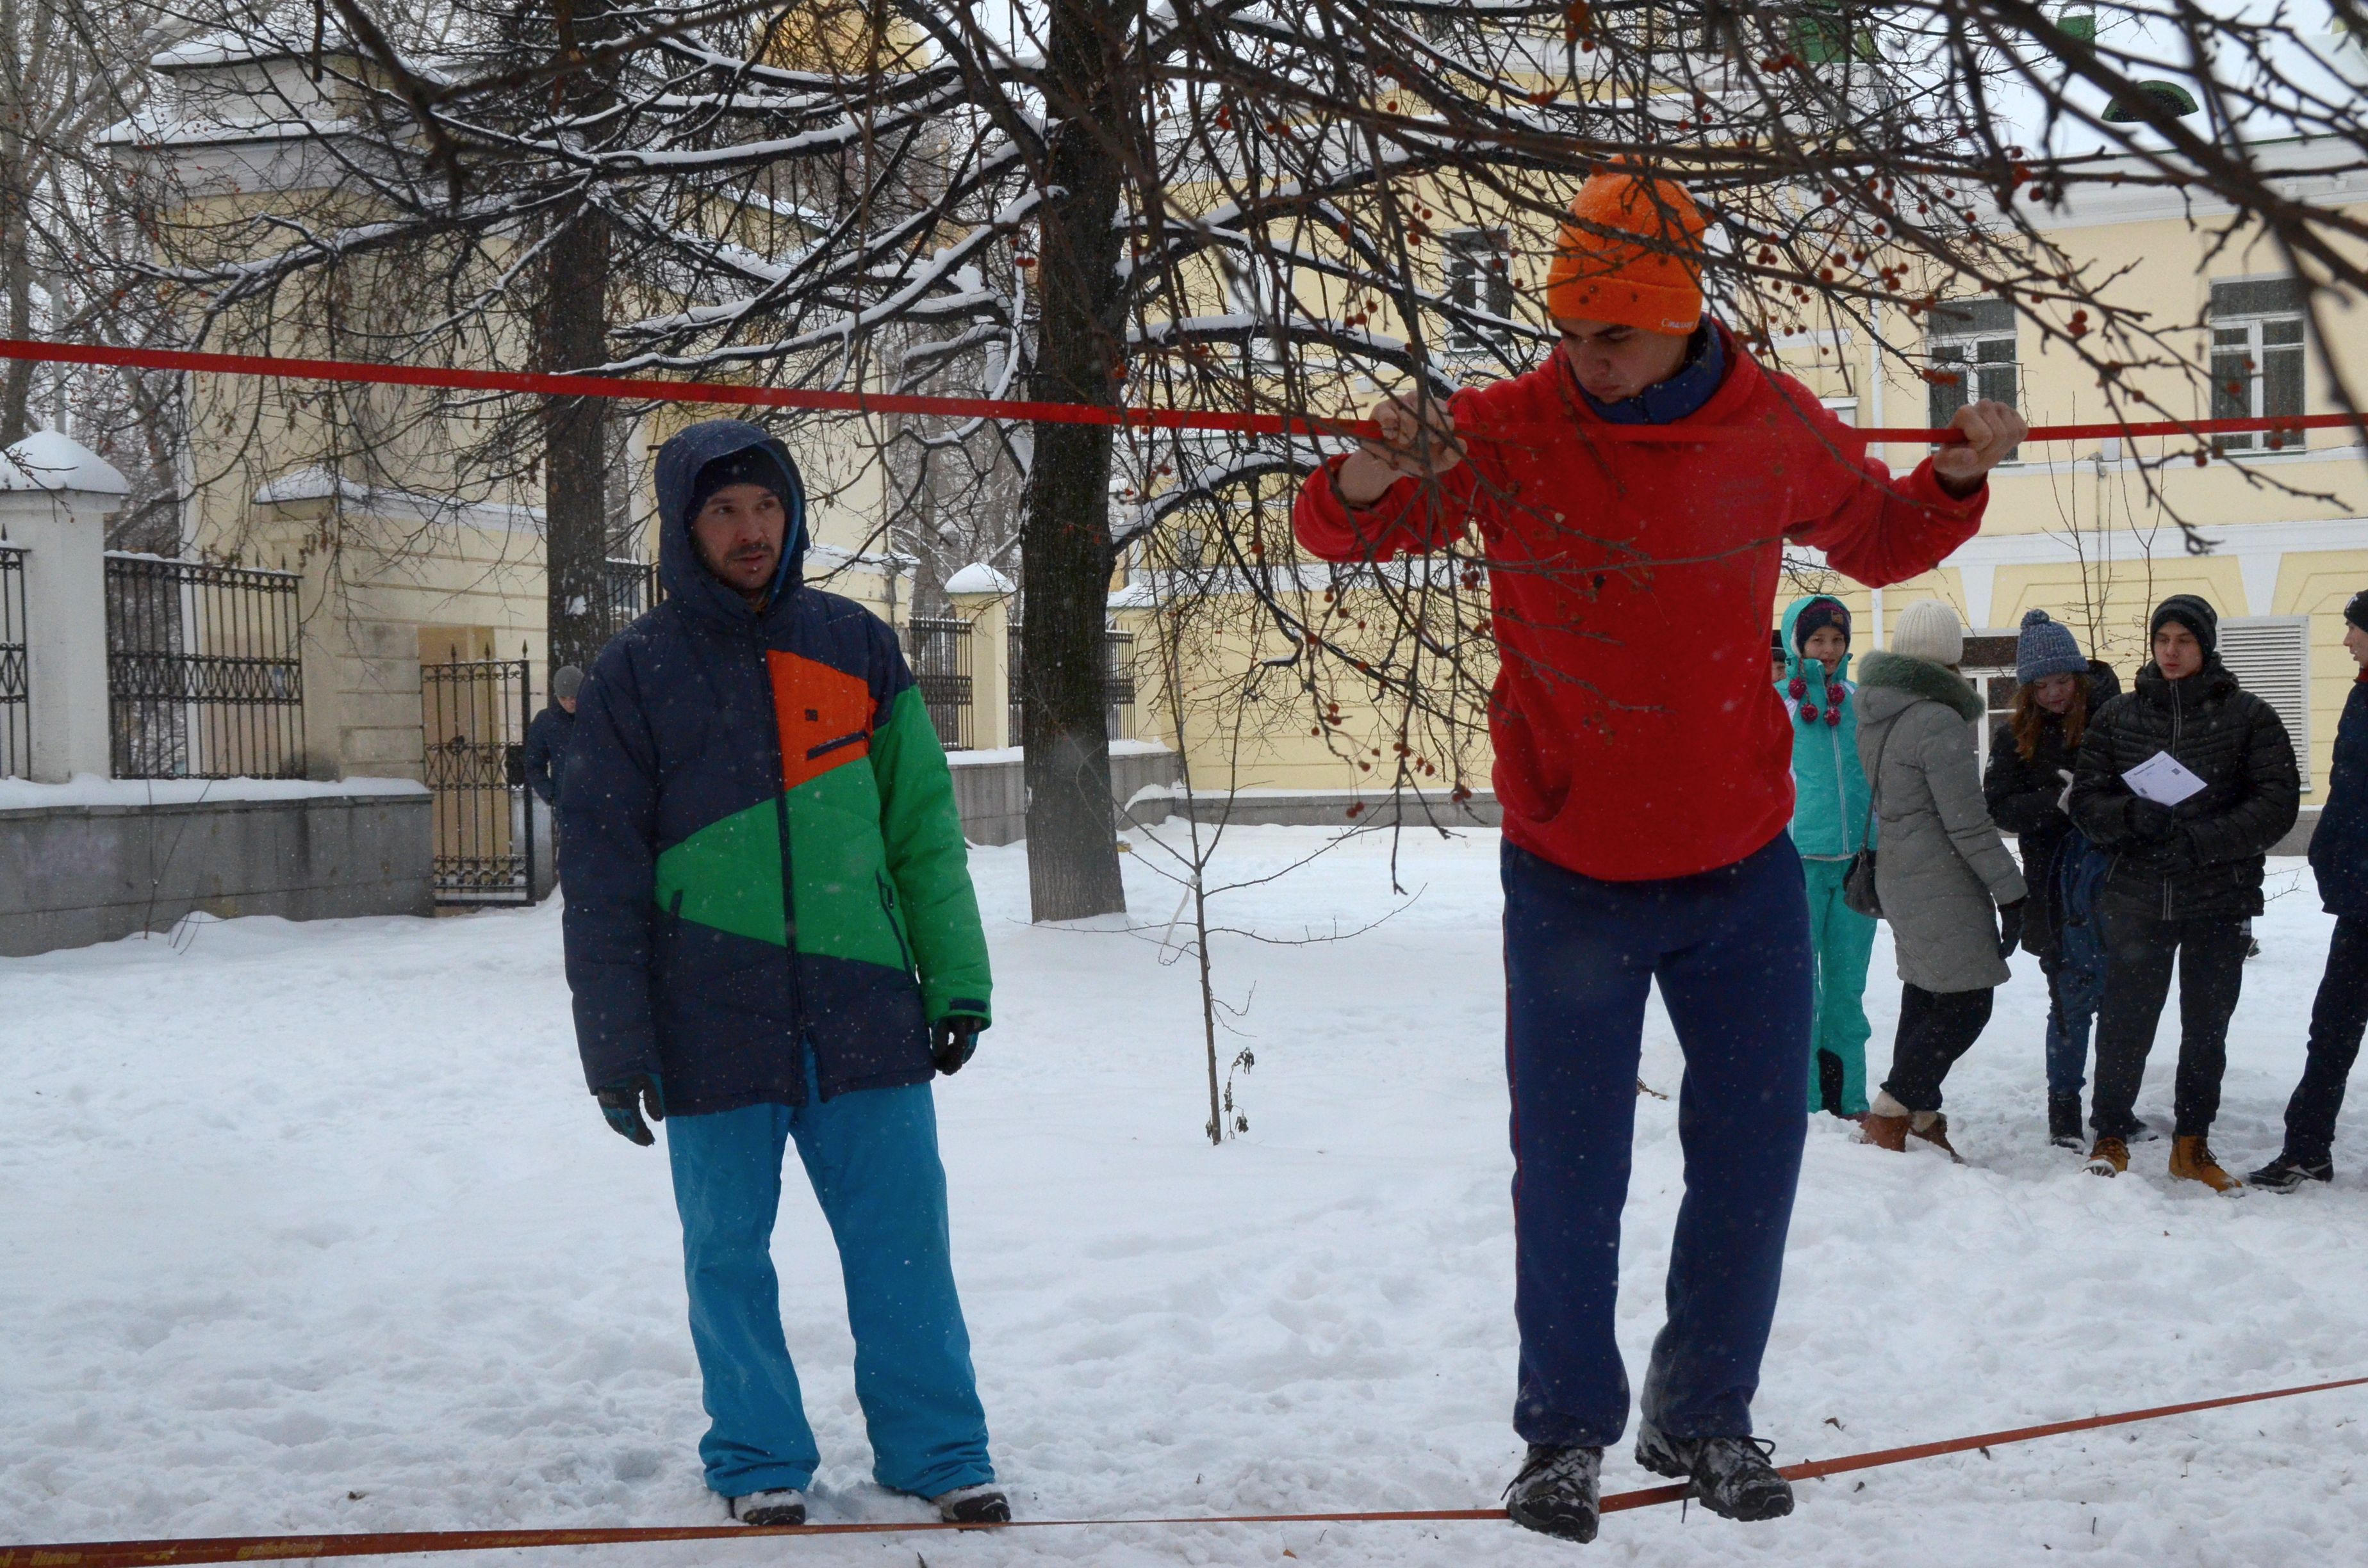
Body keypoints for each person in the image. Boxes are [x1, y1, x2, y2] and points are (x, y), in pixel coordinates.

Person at [1291, 168, 2023, 1543]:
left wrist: (1955, 473)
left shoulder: (1769, 425)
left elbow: (1875, 536)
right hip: (1569, 865)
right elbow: (1343, 530)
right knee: (1569, 1168)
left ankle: (1702, 1415)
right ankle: (1563, 1434)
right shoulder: (1505, 430)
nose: (1585, 361)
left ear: (1682, 320)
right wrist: (1376, 465)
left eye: (1611, 337)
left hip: (1739, 868)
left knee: (1750, 1158)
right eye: (1569, 332)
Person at [559, 420, 1005, 1528]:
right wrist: (616, 1048)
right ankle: (757, 1451)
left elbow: (923, 832)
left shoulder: (857, 645)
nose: (750, 529)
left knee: (905, 1242)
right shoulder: (633, 675)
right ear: (683, 526)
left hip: (863, 1001)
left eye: (764, 506)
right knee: (726, 1252)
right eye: (723, 511)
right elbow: (603, 879)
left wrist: (955, 978)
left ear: (793, 512)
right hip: (706, 1014)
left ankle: (939, 1447)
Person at [2069, 594, 2300, 1190]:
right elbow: (2087, 801)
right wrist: (2129, 816)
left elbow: (2276, 804)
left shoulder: (2249, 716)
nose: (2171, 652)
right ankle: (2111, 1134)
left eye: (2185, 641)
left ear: (2206, 647)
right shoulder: (2118, 716)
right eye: (2163, 639)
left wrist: (2203, 841)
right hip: (2137, 896)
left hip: (2218, 898)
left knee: (2206, 1027)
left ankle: (2192, 1145)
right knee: (2125, 1021)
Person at [1853, 601, 2027, 1156]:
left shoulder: (1875, 709)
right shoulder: (1937, 719)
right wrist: (2012, 890)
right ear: (1952, 655)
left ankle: (1921, 1118)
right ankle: (1891, 1110)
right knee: (1968, 1001)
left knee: (1926, 994)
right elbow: (1968, 823)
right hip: (1940, 879)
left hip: (1899, 873)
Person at [1981, 610, 2121, 1148]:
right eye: (2041, 686)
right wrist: (2055, 804)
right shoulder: (2015, 736)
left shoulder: (2115, 719)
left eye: (2062, 681)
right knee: (2068, 1001)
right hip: (2052, 889)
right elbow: (1999, 805)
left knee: (2121, 1002)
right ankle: (2063, 1110)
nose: (2054, 694)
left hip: (2114, 883)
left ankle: (2113, 1108)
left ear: (2078, 677)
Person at [2251, 589, 2368, 1189]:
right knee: (2332, 1028)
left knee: (2335, 1026)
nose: (2347, 640)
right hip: (2360, 904)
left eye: (2354, 629)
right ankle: (2307, 1150)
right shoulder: (2362, 694)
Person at [1778, 594, 1877, 1120]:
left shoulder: (1862, 702)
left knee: (1847, 988)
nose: (1829, 650)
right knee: (1801, 992)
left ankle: (1849, 1098)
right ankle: (1807, 1100)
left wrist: (1881, 847)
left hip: (1856, 869)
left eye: (1838, 640)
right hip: (1795, 866)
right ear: (1797, 642)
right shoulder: (1777, 704)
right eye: (1817, 639)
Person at [524, 664, 583, 810]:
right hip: (568, 806)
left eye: (574, 697)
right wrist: (551, 795)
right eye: (564, 698)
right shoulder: (546, 722)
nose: (569, 703)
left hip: (603, 804)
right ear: (557, 696)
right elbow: (533, 764)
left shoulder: (600, 716)